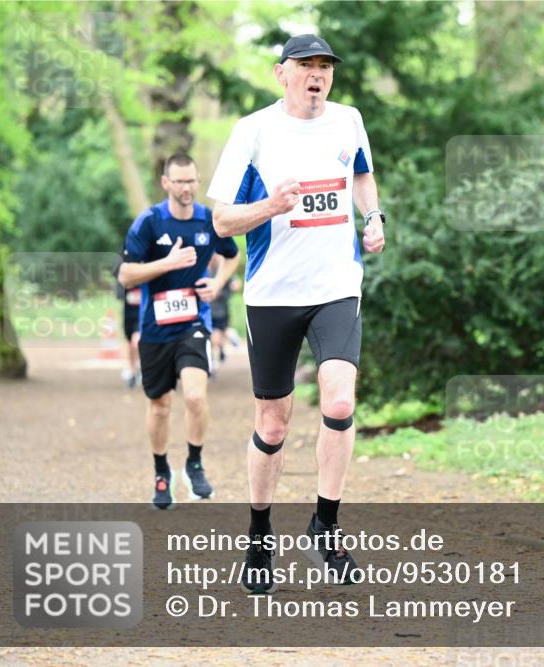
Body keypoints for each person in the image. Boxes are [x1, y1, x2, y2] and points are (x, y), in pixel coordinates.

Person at [207, 33, 385, 593]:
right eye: (305, 65)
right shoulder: (253, 131)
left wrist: (374, 215)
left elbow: (360, 172)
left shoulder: (349, 119)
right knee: (273, 422)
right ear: (281, 73)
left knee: (338, 399)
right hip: (272, 294)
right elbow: (221, 223)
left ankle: (325, 526)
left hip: (336, 285)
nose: (317, 75)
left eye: (325, 67)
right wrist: (270, 206)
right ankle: (259, 534)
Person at [118, 153, 241, 509]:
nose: (187, 188)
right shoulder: (150, 222)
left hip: (193, 323)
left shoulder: (208, 220)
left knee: (196, 397)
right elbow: (126, 275)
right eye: (180, 181)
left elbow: (232, 254)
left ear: (198, 182)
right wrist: (167, 263)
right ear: (166, 183)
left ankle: (195, 464)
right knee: (159, 406)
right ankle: (161, 472)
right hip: (155, 327)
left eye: (192, 181)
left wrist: (217, 283)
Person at [113, 258, 142, 388]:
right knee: (131, 343)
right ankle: (132, 371)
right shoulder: (123, 262)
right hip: (128, 313)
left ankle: (143, 368)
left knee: (137, 341)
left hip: (143, 313)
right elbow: (118, 294)